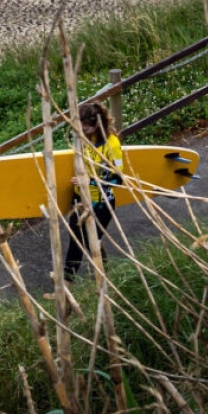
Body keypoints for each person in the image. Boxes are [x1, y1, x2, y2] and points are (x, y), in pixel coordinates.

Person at [64, 100, 125, 282]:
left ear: (97, 125)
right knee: (76, 243)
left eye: (86, 129)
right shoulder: (82, 138)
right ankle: (66, 287)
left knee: (92, 244)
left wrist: (90, 181)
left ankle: (102, 279)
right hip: (79, 200)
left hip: (101, 204)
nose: (82, 132)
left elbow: (119, 179)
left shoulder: (112, 145)